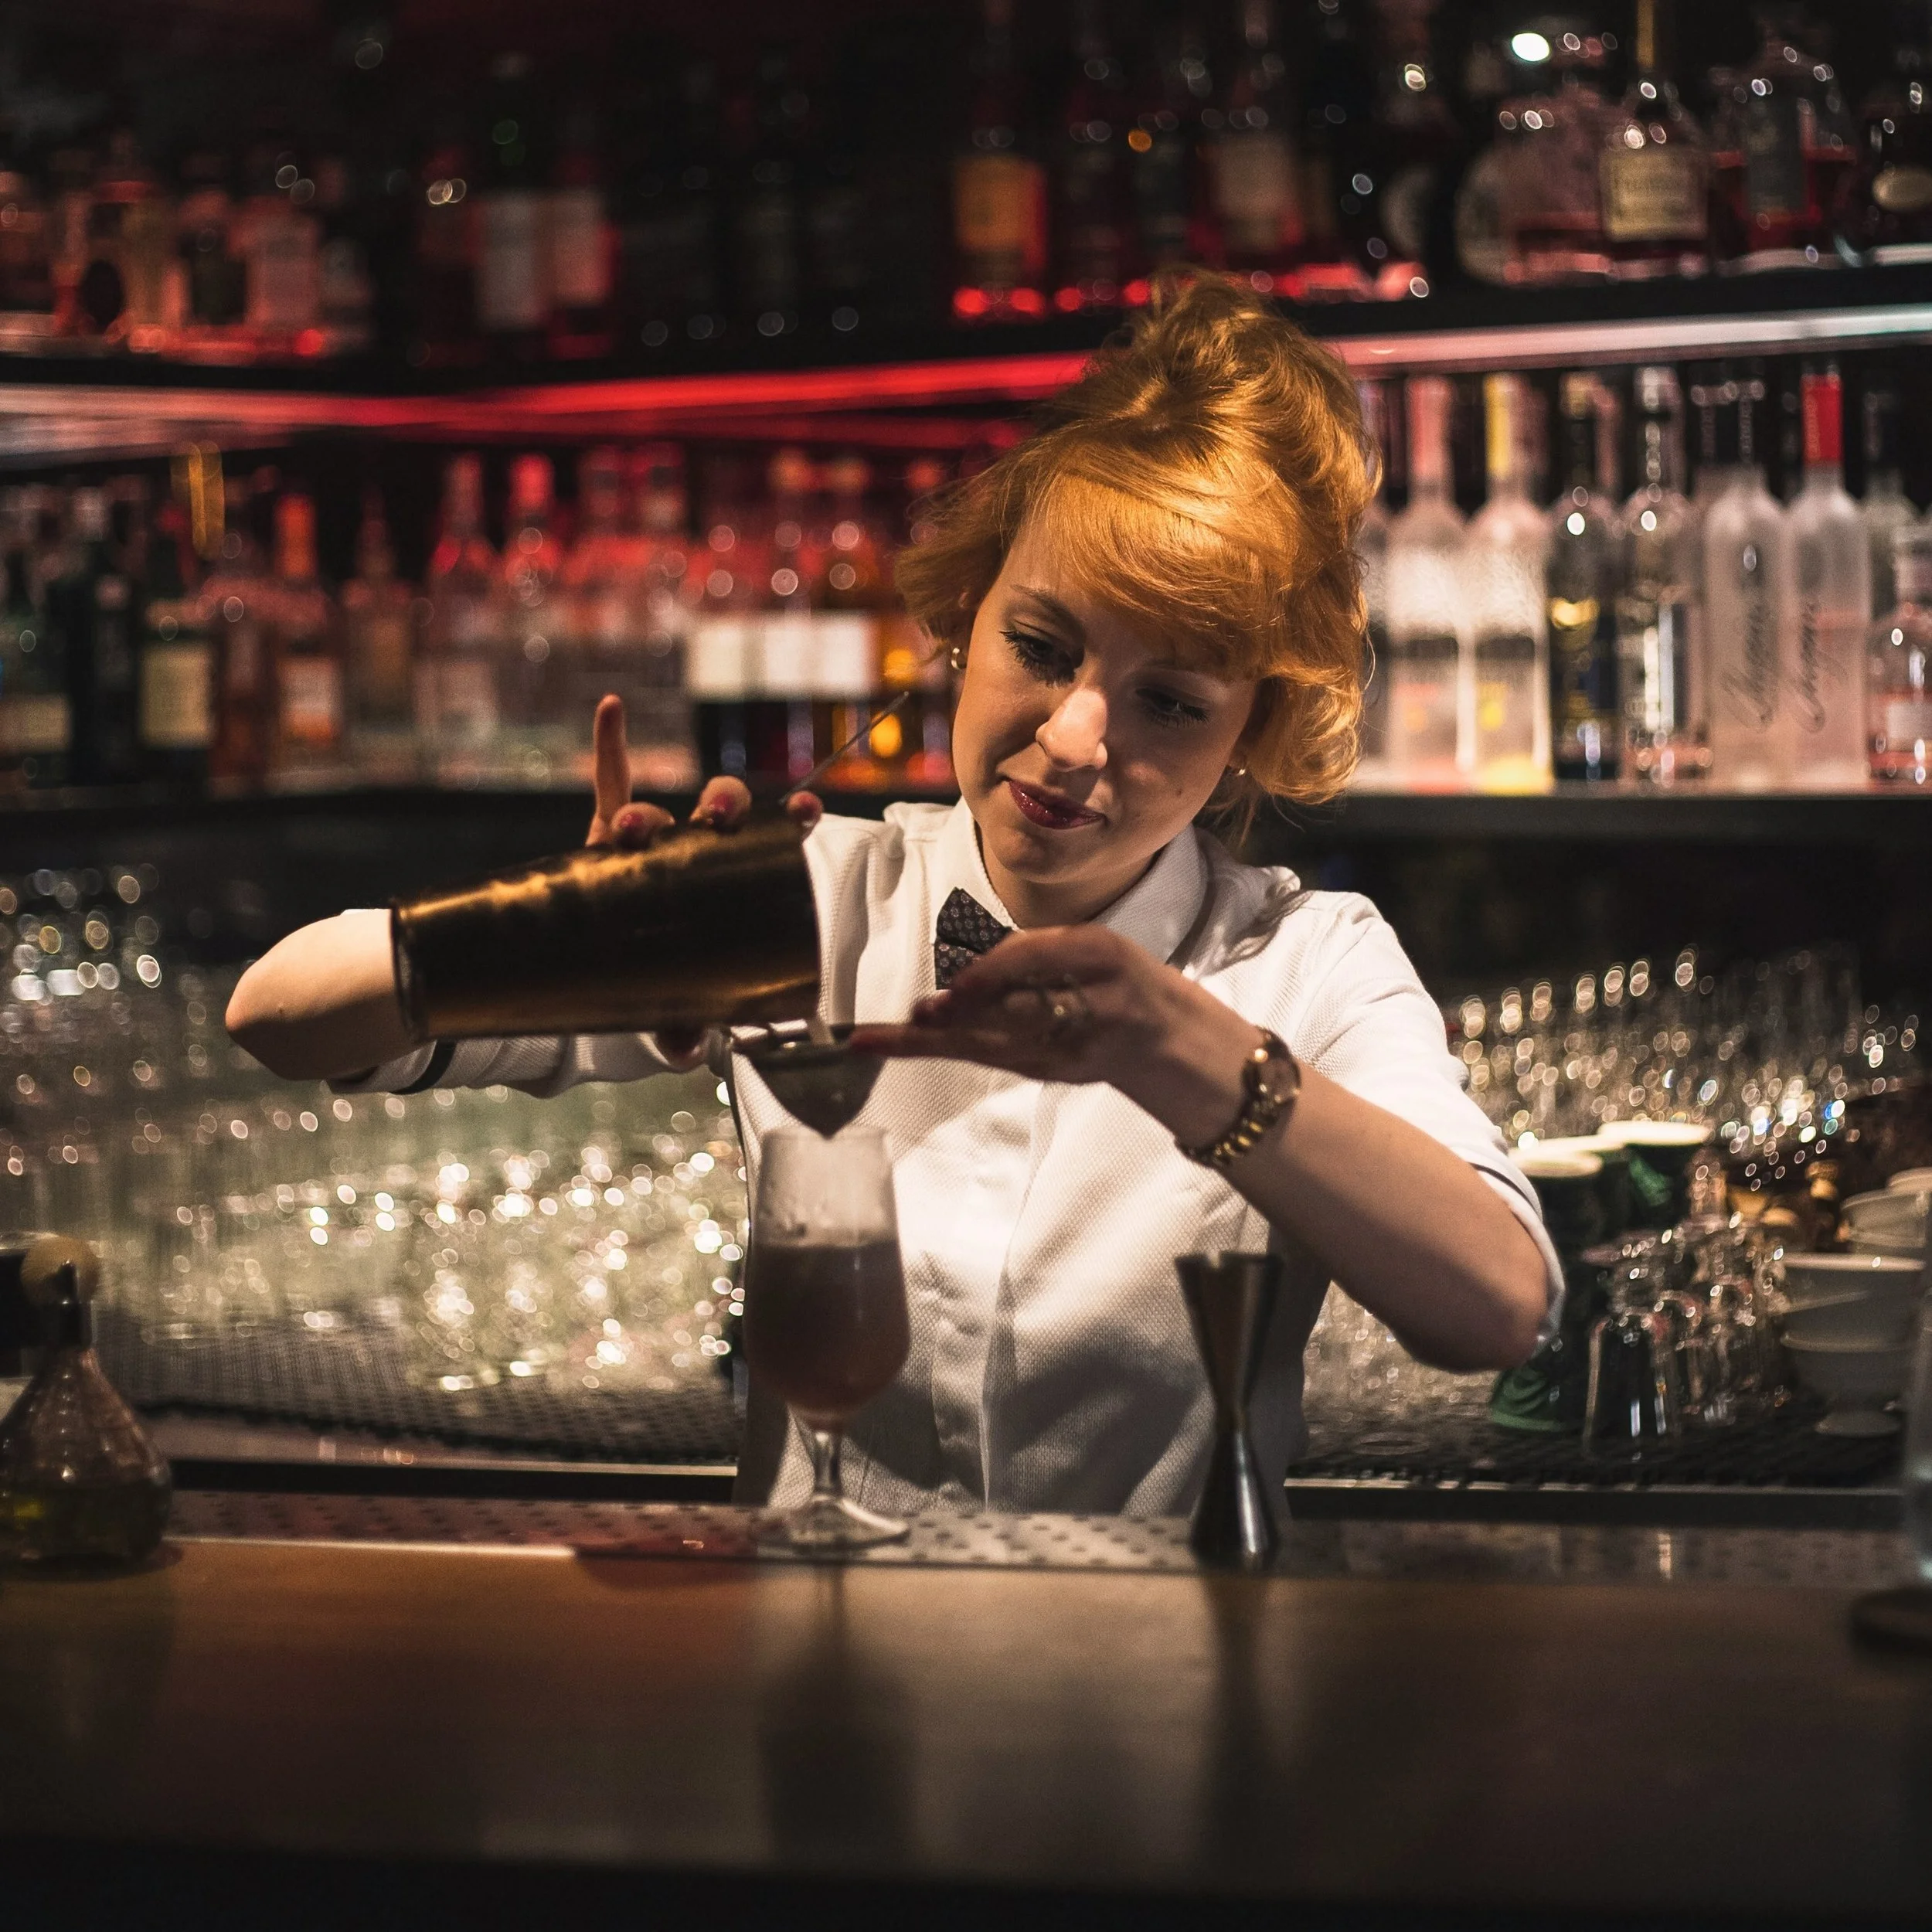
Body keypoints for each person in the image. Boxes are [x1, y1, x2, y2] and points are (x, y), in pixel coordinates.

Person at [228, 274, 1557, 1515]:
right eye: (1040, 647)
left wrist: (1182, 1049)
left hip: (1157, 1704)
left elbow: (1497, 1307)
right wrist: (569, 934)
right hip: (816, 1683)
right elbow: (277, 1014)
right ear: (964, 620)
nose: (1080, 735)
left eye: (1170, 700)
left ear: (1248, 734)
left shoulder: (1305, 965)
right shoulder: (816, 898)